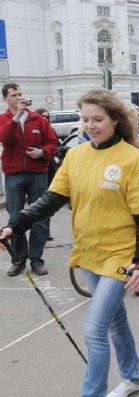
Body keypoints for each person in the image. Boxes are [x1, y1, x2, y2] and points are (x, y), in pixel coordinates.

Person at [0, 88, 139, 397]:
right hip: (88, 252)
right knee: (115, 321)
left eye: (98, 119)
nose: (90, 125)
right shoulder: (75, 155)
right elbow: (51, 199)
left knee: (94, 328)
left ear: (115, 120)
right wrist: (15, 225)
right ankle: (132, 376)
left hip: (120, 254)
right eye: (85, 119)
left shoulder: (131, 159)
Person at [0, 83, 58, 276]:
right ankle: (18, 260)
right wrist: (16, 117)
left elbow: (52, 144)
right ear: (5, 99)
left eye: (20, 94)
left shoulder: (38, 119)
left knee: (40, 218)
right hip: (14, 175)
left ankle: (36, 260)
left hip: (37, 174)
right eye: (14, 95)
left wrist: (42, 152)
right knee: (15, 218)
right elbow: (4, 138)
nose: (18, 98)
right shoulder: (3, 119)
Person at [34, 107, 60, 241]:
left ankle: (46, 232)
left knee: (48, 198)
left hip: (50, 168)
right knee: (39, 202)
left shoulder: (52, 130)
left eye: (47, 117)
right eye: (42, 116)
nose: (45, 119)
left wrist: (54, 155)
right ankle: (39, 232)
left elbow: (56, 146)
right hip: (38, 169)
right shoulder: (35, 130)